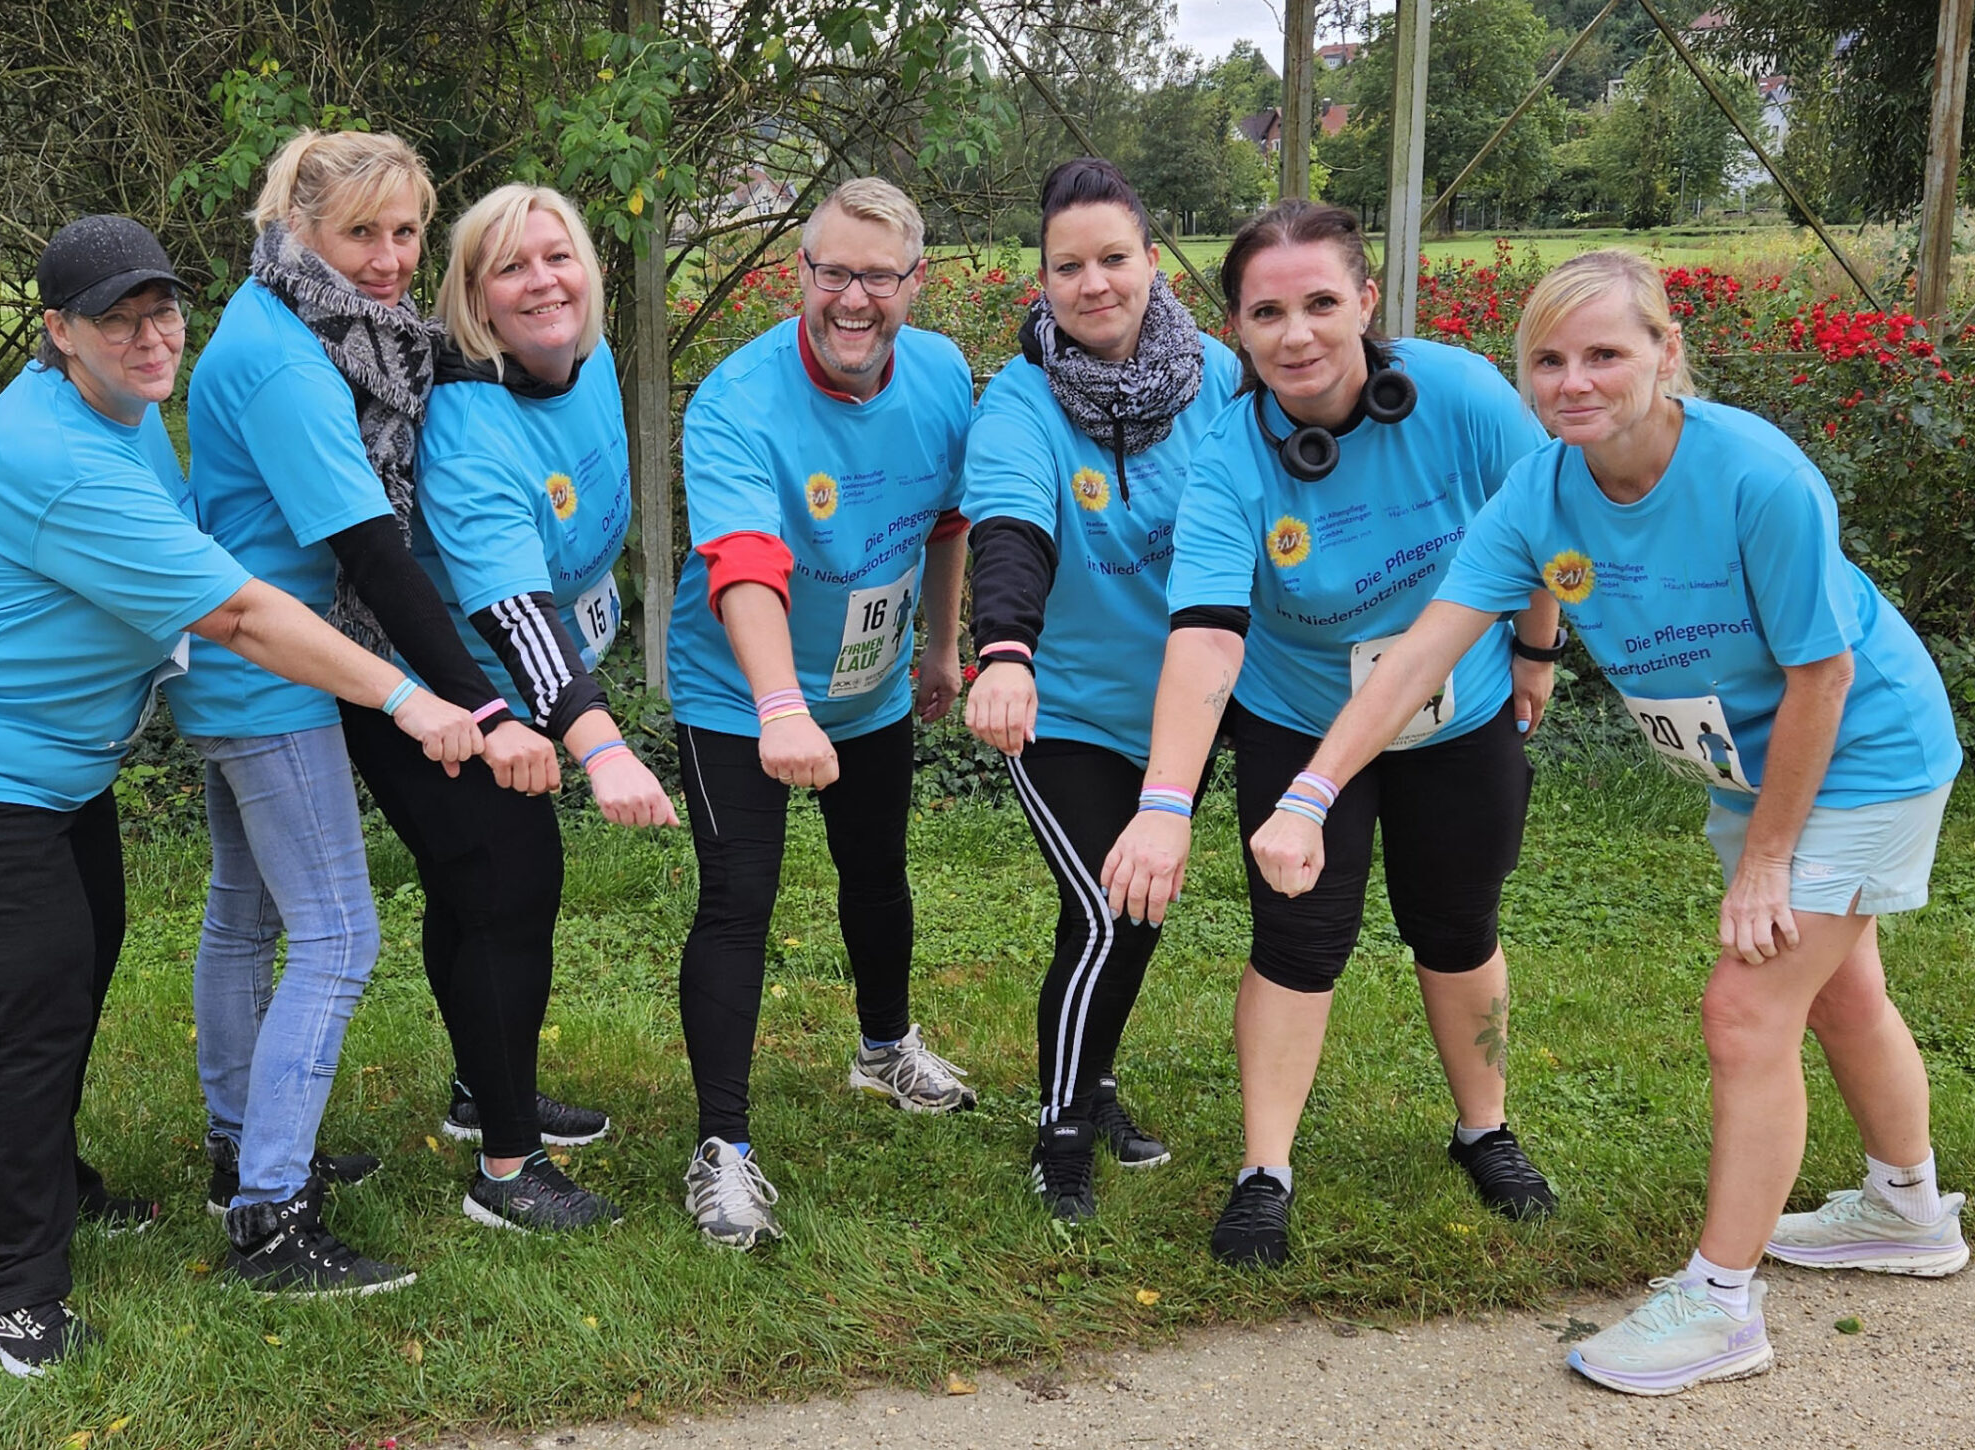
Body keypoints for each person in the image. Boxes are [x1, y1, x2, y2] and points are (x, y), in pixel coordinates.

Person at [1249, 249, 1965, 1395]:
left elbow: (1822, 675)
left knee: (1744, 1006)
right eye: (1546, 358)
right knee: (1840, 988)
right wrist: (1308, 790)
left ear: (1666, 353)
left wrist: (1768, 860)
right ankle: (1907, 1206)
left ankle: (1721, 1303)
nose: (1571, 381)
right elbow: (1423, 649)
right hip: (1761, 764)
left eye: (1604, 354)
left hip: (1864, 752)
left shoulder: (1755, 476)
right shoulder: (1540, 491)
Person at [0, 215, 484, 1375]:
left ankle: (45, 1178)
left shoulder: (125, 419)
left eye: (162, 309)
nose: (148, 336)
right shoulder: (54, 452)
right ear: (57, 334)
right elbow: (230, 611)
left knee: (67, 974)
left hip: (48, 763)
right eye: (115, 318)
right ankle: (6, 1290)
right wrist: (410, 699)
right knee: (11, 1011)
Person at [1101, 200, 1565, 1270]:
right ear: (1236, 331)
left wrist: (1536, 653)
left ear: (1365, 300)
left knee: (1457, 923)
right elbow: (1208, 637)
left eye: (1320, 301)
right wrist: (1164, 802)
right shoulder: (1229, 455)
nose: (1297, 332)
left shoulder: (1458, 395)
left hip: (1460, 712)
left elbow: (1545, 522)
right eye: (1267, 311)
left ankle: (1484, 1129)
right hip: (1298, 721)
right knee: (1298, 943)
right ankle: (1265, 1169)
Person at [166, 129, 543, 1293]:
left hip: (244, 663)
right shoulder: (284, 359)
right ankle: (270, 1215)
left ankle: (243, 1148)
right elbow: (374, 556)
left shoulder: (300, 322)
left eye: (404, 232)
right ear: (301, 232)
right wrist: (480, 707)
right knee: (338, 933)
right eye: (360, 233)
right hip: (274, 672)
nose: (387, 260)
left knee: (246, 914)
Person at [663, 177, 976, 1248]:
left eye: (877, 276)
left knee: (877, 874)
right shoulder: (737, 401)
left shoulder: (937, 375)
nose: (852, 297)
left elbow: (945, 522)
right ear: (798, 272)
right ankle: (723, 1149)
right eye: (830, 271)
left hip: (870, 689)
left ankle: (884, 1048)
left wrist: (940, 646)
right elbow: (746, 564)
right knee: (738, 901)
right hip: (738, 697)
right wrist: (780, 707)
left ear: (915, 284)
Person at [368, 180, 676, 1233]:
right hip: (446, 690)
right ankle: (506, 1169)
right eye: (509, 266)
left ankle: (478, 1085)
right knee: (507, 882)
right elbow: (513, 608)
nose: (542, 279)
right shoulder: (467, 420)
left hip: (528, 685)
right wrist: (602, 745)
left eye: (559, 255)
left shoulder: (585, 370)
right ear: (473, 299)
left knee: (475, 893)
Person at [960, 159, 1242, 1221]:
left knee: (1140, 909)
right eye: (1066, 266)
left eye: (1112, 259)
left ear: (1151, 261)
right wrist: (1005, 653)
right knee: (1106, 908)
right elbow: (1010, 528)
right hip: (1061, 705)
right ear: (1042, 280)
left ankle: (1099, 1081)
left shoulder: (1219, 377)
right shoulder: (1022, 398)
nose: (1092, 284)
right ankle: (1062, 1132)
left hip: (1182, 708)